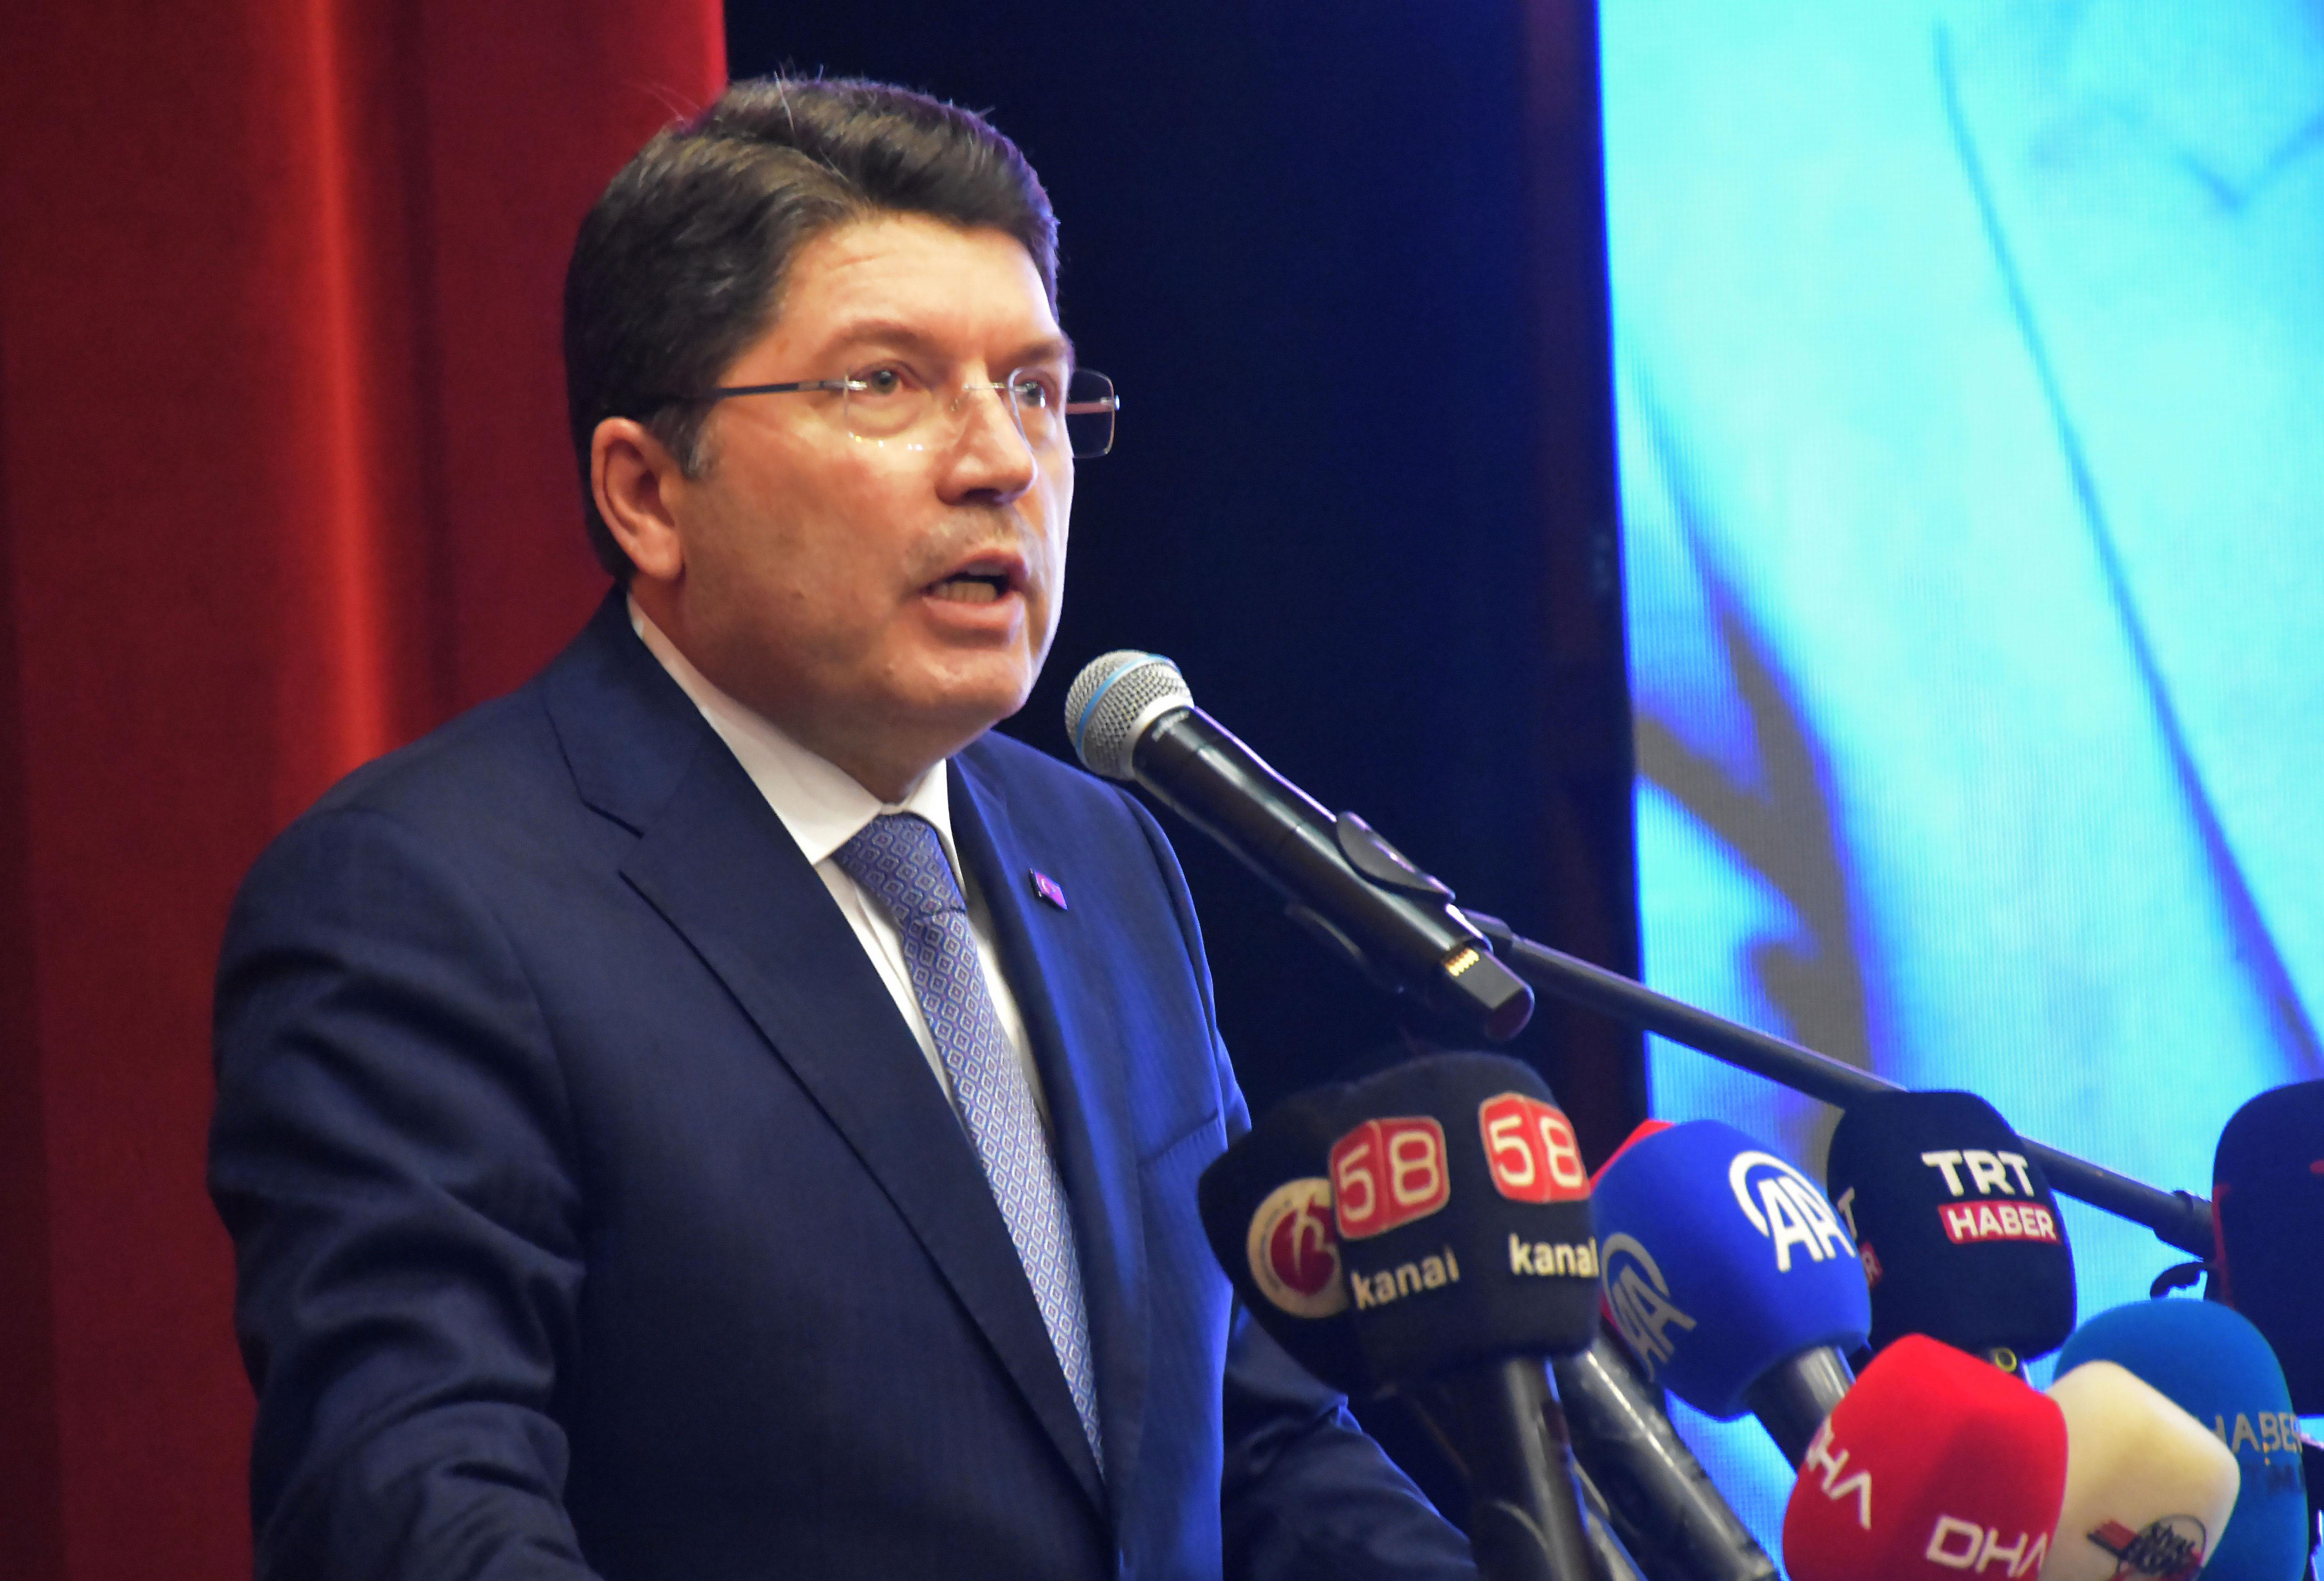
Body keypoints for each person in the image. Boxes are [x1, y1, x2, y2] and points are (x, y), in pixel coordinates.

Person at [208, 77, 1476, 1581]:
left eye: (1035, 389)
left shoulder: (1106, 854)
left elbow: (1251, 1440)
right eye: (887, 383)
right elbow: (418, 1514)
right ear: (646, 492)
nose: (1002, 461)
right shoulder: (429, 903)